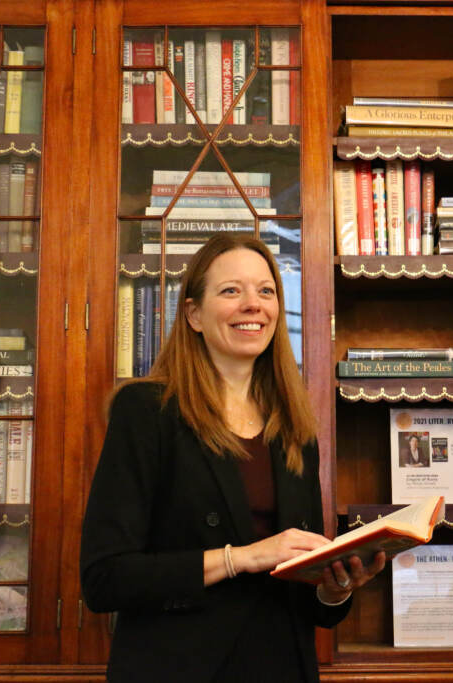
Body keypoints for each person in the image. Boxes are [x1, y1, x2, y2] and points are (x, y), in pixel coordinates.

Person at [80, 234, 386, 683]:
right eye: (231, 291)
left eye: (266, 291)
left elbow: (313, 611)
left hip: (283, 666)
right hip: (179, 670)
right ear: (194, 314)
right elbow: (105, 579)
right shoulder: (146, 410)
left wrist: (335, 590)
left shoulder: (295, 427)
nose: (253, 305)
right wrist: (241, 558)